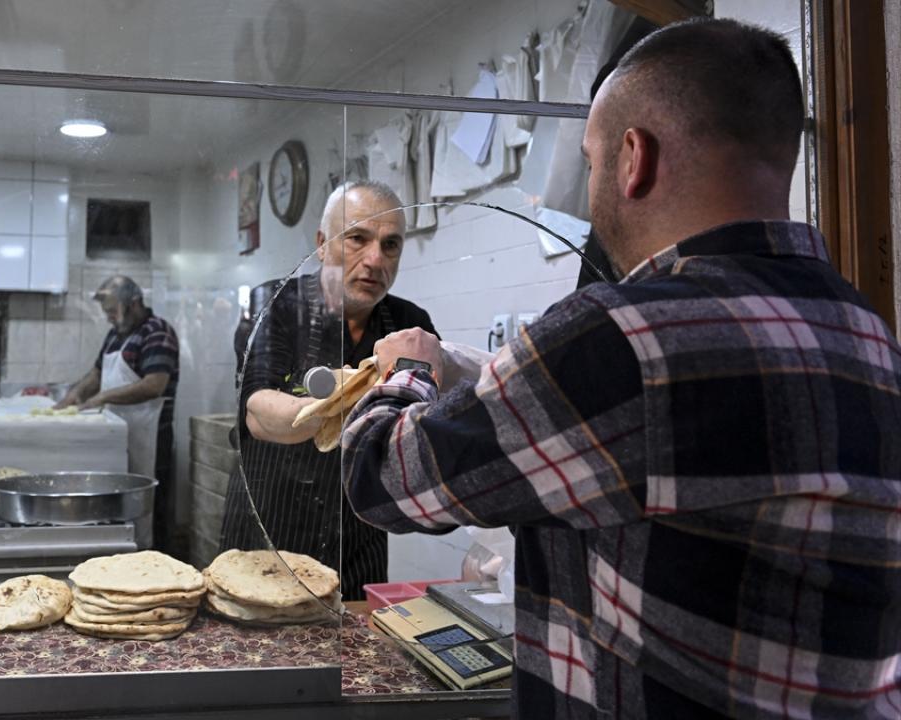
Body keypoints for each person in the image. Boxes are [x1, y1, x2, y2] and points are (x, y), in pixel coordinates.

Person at [342, 18, 901, 719]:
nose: (592, 184)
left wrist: (408, 370)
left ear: (634, 156)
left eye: (591, 160)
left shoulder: (623, 337)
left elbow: (380, 477)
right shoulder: (866, 331)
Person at [219, 181, 439, 602]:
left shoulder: (409, 327)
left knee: (353, 641)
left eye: (390, 245)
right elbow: (259, 413)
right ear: (322, 244)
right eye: (357, 238)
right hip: (268, 529)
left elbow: (426, 424)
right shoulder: (276, 304)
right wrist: (358, 395)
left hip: (359, 540)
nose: (375, 260)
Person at [57, 276, 179, 546]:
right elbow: (97, 373)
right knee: (123, 508)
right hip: (119, 437)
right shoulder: (116, 335)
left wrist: (101, 397)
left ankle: (157, 561)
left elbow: (154, 385)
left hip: (151, 439)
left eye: (112, 311)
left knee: (150, 510)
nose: (109, 317)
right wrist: (74, 395)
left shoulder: (157, 332)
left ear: (133, 304)